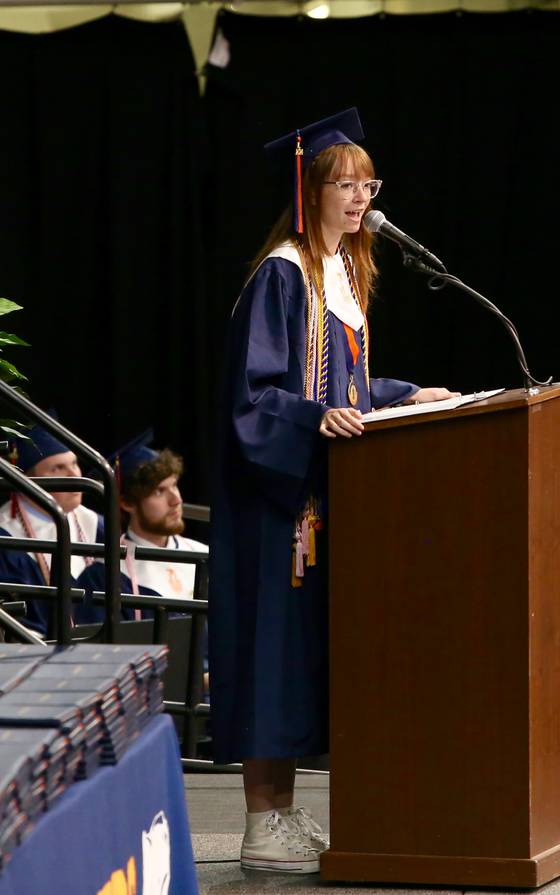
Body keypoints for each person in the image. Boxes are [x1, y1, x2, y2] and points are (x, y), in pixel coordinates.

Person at [209, 107, 459, 874]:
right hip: (274, 507)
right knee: (269, 652)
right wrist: (322, 418)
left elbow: (342, 388)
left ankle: (281, 814)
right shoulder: (282, 275)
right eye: (342, 182)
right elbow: (253, 399)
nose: (358, 196)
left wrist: (402, 394)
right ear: (309, 190)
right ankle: (261, 822)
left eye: (366, 182)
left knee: (298, 656)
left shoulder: (342, 278)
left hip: (313, 504)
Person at [75, 430, 207, 623]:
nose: (176, 500)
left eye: (175, 485)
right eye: (159, 491)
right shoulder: (105, 577)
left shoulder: (205, 556)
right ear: (127, 503)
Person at [0, 419, 103, 636]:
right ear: (28, 479)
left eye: (74, 463)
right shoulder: (7, 535)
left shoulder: (97, 525)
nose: (75, 475)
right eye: (58, 468)